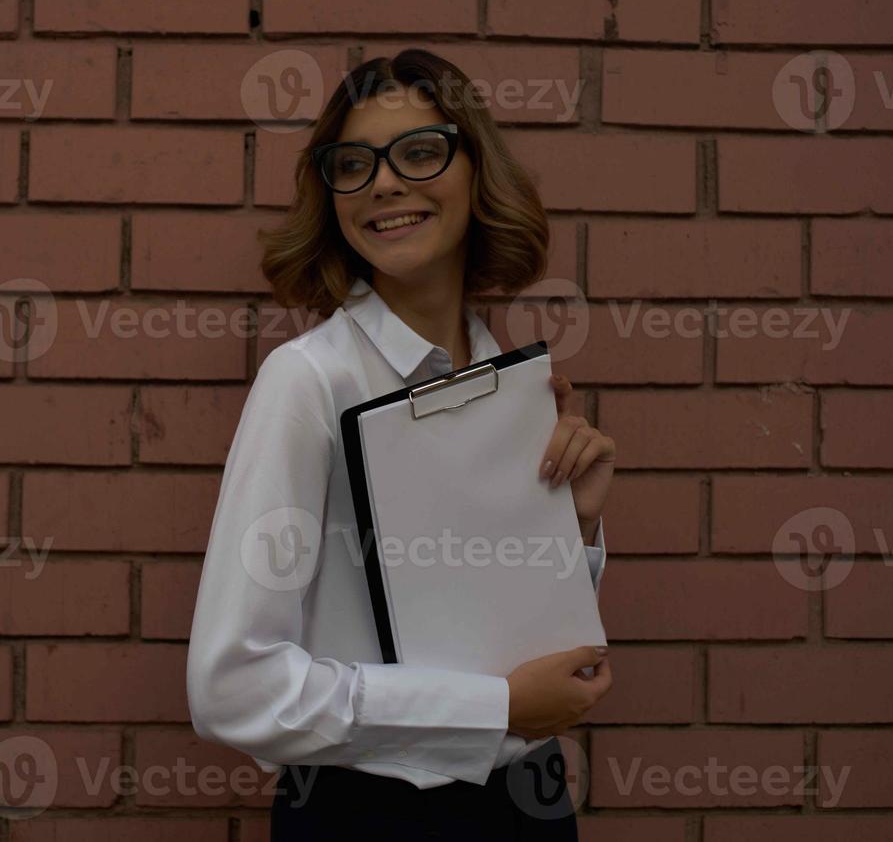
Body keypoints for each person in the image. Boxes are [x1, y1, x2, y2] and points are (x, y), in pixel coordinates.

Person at [185, 48, 618, 840]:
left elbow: (521, 644)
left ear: (474, 172)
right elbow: (232, 686)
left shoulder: (510, 387)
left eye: (420, 152)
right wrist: (496, 710)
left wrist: (576, 530)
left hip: (529, 802)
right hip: (369, 816)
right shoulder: (309, 382)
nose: (384, 182)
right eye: (354, 164)